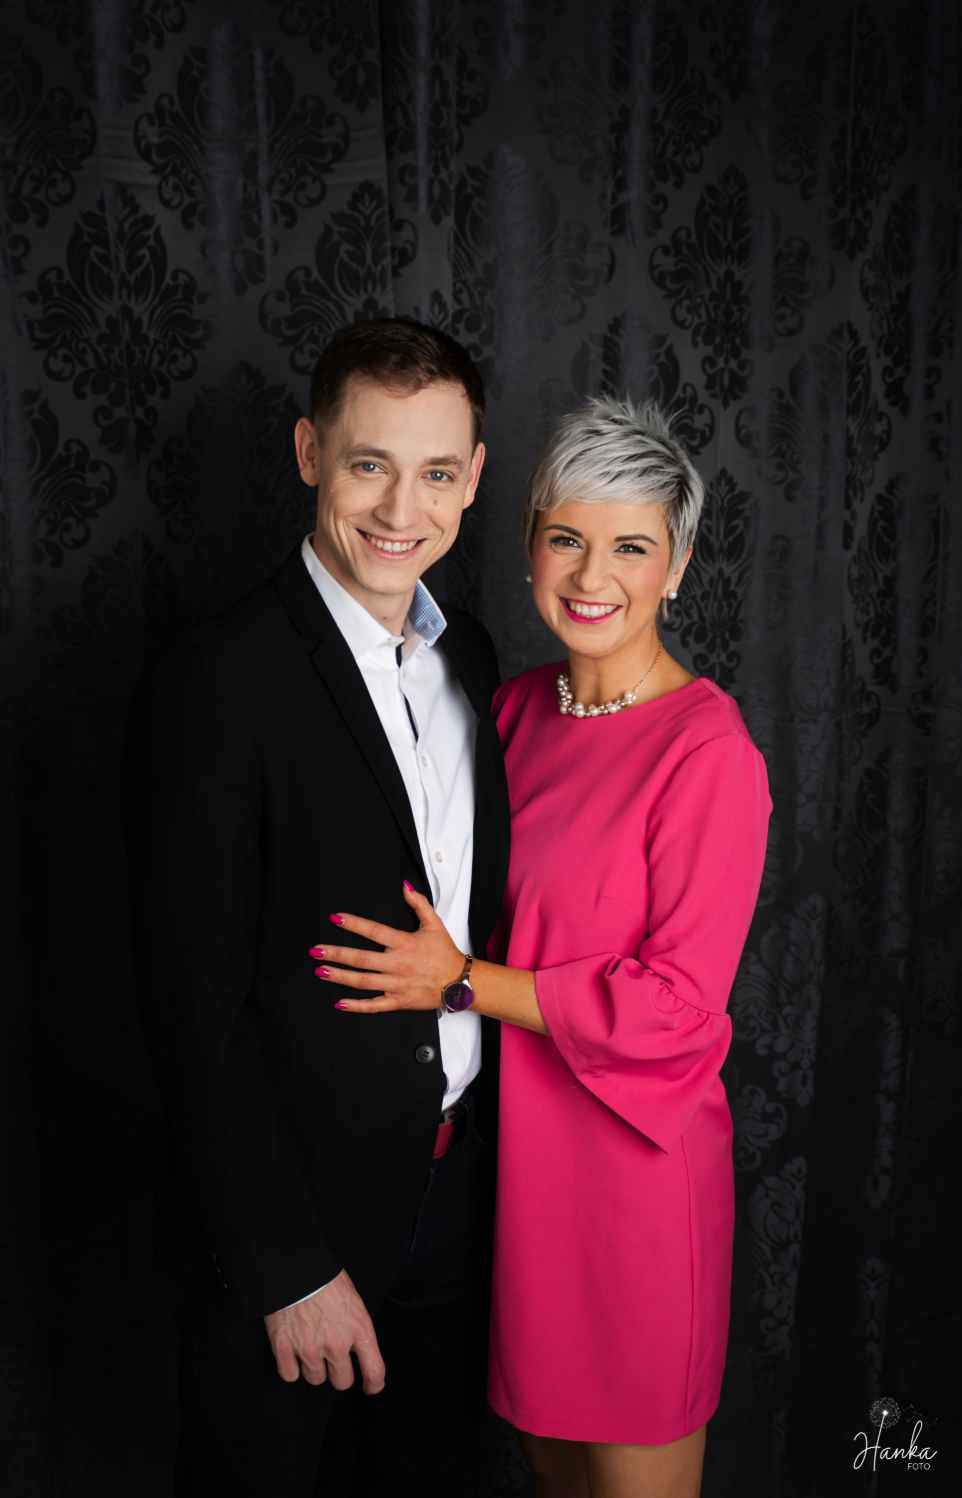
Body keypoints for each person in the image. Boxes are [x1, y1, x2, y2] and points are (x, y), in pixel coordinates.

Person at [313, 395, 771, 1498]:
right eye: (566, 538)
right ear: (528, 546)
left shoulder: (706, 750)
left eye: (631, 547)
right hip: (519, 1185)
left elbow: (677, 1008)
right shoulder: (511, 710)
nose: (591, 574)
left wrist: (461, 983)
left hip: (636, 1185)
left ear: (678, 566)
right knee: (551, 1475)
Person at [121, 318, 510, 1498]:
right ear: (308, 453)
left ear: (474, 477)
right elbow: (193, 1006)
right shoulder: (219, 675)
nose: (401, 508)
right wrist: (285, 1264)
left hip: (458, 1196)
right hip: (292, 1227)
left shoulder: (471, 657)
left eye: (435, 472)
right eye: (368, 463)